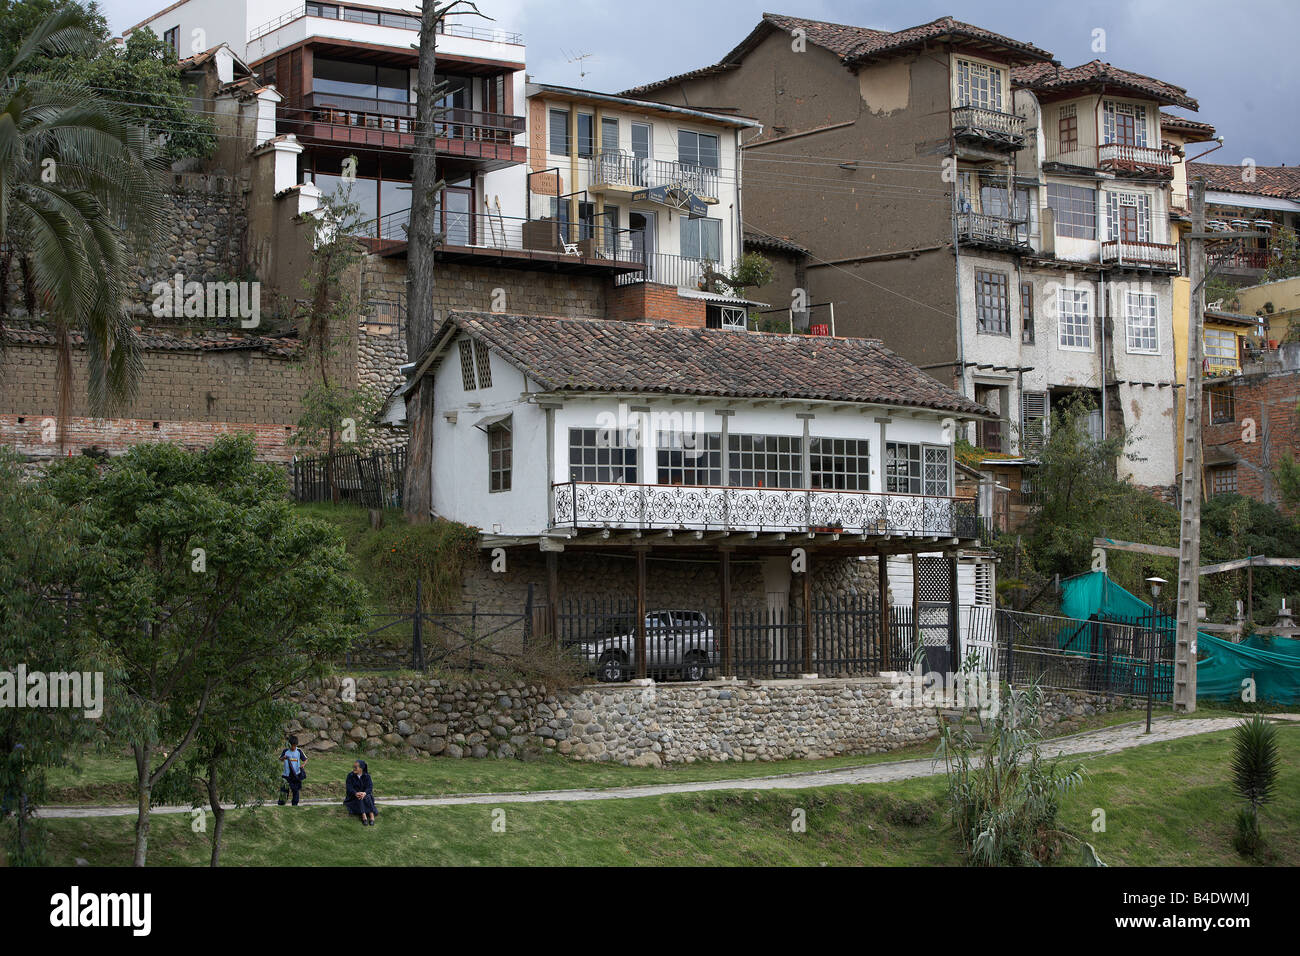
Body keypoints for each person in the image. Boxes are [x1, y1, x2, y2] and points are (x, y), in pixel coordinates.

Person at [344, 759, 377, 826]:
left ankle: (371, 815)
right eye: (353, 767)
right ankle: (364, 816)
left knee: (367, 796)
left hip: (365, 795)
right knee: (359, 797)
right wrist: (356, 793)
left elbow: (370, 787)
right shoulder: (350, 776)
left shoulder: (367, 776)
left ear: (361, 768)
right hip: (353, 797)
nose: (354, 768)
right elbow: (349, 787)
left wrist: (364, 793)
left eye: (356, 767)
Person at [278, 736, 307, 806]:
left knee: (296, 790)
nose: (293, 747)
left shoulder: (299, 751)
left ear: (296, 745)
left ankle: (295, 804)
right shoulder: (285, 751)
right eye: (292, 746)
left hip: (296, 774)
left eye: (294, 746)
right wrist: (283, 758)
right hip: (286, 775)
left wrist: (303, 765)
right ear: (289, 745)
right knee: (284, 790)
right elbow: (280, 759)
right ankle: (281, 804)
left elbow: (305, 759)